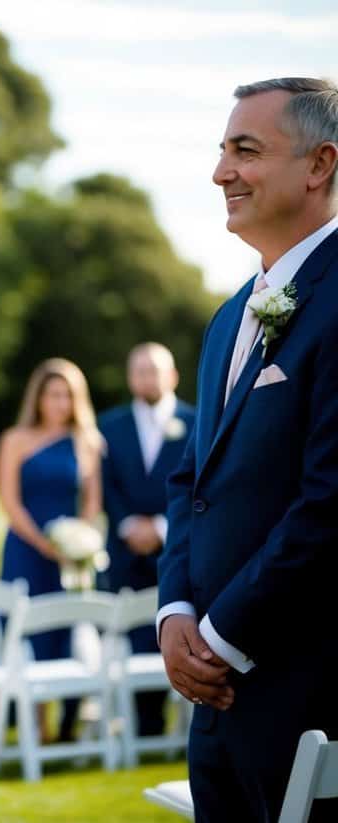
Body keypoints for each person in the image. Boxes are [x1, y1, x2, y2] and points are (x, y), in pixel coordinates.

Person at [158, 77, 338, 821]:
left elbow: (329, 503)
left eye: (246, 150)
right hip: (217, 701)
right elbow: (190, 479)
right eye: (222, 150)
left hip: (308, 692)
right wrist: (174, 610)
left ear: (320, 164)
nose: (220, 172)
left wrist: (220, 637)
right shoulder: (229, 315)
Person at [0, 357, 103, 742]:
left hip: (70, 560)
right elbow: (9, 500)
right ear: (38, 398)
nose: (60, 402)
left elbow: (92, 501)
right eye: (53, 394)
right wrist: (44, 543)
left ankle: (70, 722)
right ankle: (36, 724)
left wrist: (77, 540)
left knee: (69, 631)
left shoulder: (86, 441)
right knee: (30, 634)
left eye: (67, 395)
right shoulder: (14, 439)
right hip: (26, 551)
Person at [97, 342, 195, 739]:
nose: (147, 378)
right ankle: (140, 725)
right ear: (129, 377)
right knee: (131, 635)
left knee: (175, 629)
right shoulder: (108, 425)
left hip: (178, 547)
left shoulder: (197, 420)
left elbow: (199, 481)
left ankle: (176, 723)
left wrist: (161, 527)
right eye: (139, 370)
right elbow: (103, 483)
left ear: (172, 376)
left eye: (154, 370)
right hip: (124, 551)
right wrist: (127, 525)